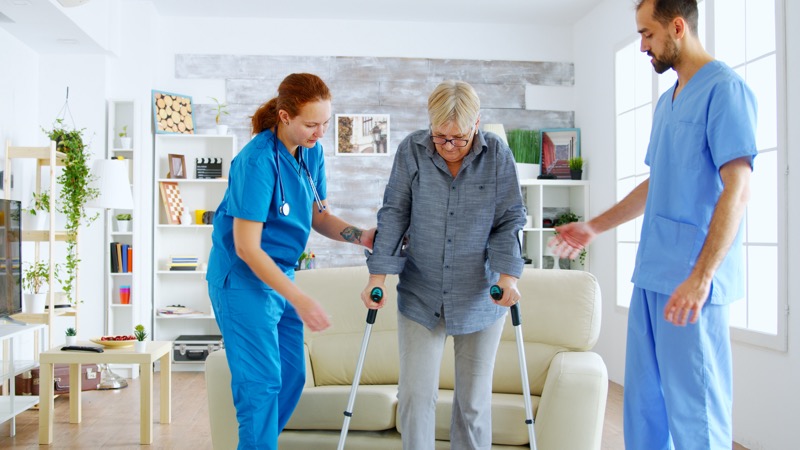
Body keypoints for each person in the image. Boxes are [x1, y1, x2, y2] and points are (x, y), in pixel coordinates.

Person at [549, 1, 757, 449]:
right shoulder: (668, 102)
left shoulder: (725, 91)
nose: (643, 45)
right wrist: (594, 226)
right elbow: (657, 182)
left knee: (696, 412)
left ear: (677, 27)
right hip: (652, 273)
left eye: (647, 34)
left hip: (690, 280)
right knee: (644, 407)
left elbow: (738, 189)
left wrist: (701, 277)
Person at [206, 73, 376, 450]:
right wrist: (301, 299)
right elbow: (247, 248)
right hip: (242, 280)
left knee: (292, 375)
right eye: (312, 124)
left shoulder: (311, 151)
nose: (320, 133)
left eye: (325, 123)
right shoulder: (256, 162)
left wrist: (360, 235)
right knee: (261, 384)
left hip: (279, 275)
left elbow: (319, 216)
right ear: (284, 116)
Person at [362, 80, 527, 450]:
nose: (449, 146)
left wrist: (509, 276)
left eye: (459, 138)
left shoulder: (497, 155)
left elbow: (509, 219)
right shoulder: (412, 150)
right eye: (440, 137)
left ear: (476, 124)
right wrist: (377, 278)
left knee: (472, 405)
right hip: (421, 294)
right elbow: (394, 214)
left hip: (480, 296)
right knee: (415, 397)